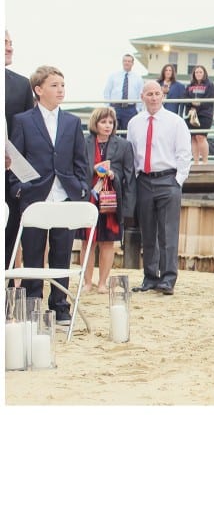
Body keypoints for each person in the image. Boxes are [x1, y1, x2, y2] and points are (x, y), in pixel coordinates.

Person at [8, 66, 90, 325]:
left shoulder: (73, 122)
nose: (60, 90)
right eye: (54, 85)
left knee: (62, 253)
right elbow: (16, 159)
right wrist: (19, 189)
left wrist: (80, 187)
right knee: (32, 254)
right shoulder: (23, 120)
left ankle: (60, 306)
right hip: (35, 197)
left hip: (65, 196)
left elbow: (81, 160)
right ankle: (33, 304)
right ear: (38, 89)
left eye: (63, 85)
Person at [126, 81, 192, 296]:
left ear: (162, 96)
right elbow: (131, 152)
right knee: (148, 231)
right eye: (149, 94)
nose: (153, 98)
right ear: (142, 96)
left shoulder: (175, 122)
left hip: (168, 179)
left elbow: (184, 153)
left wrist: (178, 180)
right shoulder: (134, 123)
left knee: (168, 232)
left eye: (157, 94)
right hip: (143, 180)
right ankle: (150, 276)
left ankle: (168, 278)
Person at [78, 107, 135, 293]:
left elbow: (128, 176)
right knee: (87, 242)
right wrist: (93, 171)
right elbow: (76, 169)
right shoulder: (83, 142)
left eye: (110, 122)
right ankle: (87, 282)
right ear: (95, 123)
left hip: (111, 199)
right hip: (88, 198)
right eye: (103, 122)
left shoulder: (124, 145)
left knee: (108, 242)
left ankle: (102, 283)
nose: (107, 125)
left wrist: (112, 175)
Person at [5, 30, 35, 277]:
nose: (10, 47)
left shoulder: (21, 83)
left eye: (11, 43)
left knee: (11, 226)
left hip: (9, 172)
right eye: (4, 42)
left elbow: (27, 129)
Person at [102, 54, 144, 133]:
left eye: (129, 61)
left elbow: (140, 95)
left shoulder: (138, 78)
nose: (127, 63)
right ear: (122, 62)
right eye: (125, 61)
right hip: (115, 108)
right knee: (112, 132)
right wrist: (108, 107)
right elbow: (107, 92)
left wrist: (138, 109)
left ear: (132, 63)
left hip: (130, 109)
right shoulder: (113, 76)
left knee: (128, 133)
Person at [184, 65, 214, 164]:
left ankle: (205, 162)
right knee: (193, 137)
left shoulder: (210, 85)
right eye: (196, 72)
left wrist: (198, 104)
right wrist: (191, 104)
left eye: (200, 72)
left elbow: (210, 99)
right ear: (194, 74)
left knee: (200, 137)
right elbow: (185, 99)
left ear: (204, 73)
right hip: (191, 114)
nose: (198, 74)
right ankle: (196, 162)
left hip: (204, 114)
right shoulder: (189, 86)